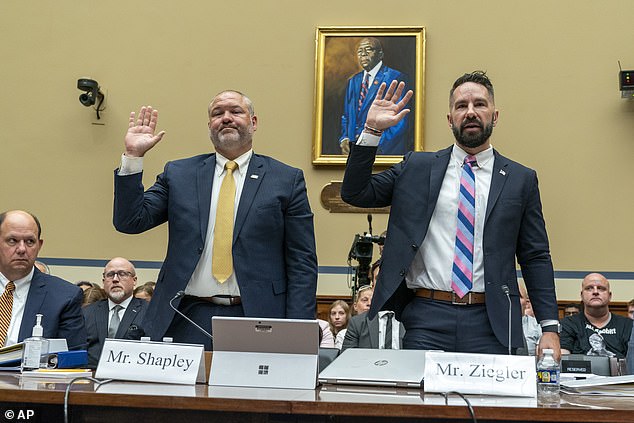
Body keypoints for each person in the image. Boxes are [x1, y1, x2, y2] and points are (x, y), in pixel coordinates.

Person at [341, 72, 560, 358]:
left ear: (495, 116)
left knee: (488, 403)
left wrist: (550, 327)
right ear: (449, 119)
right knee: (422, 402)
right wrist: (371, 130)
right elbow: (355, 193)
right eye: (461, 106)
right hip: (426, 317)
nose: (470, 112)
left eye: (479, 104)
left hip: (491, 320)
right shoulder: (416, 167)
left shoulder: (520, 179)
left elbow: (535, 255)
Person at [113, 90, 318, 350]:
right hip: (186, 315)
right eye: (217, 113)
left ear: (253, 122)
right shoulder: (179, 174)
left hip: (257, 316)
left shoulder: (286, 180)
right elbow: (130, 221)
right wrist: (133, 157)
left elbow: (302, 261)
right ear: (209, 125)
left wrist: (297, 330)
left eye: (236, 111)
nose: (226, 118)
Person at [0, 210, 86, 349]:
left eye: (30, 241)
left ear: (39, 246)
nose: (22, 249)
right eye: (12, 241)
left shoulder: (64, 297)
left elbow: (73, 359)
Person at [339, 38, 411, 156]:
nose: (363, 54)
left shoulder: (396, 77)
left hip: (382, 152)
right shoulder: (353, 81)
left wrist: (371, 146)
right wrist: (344, 138)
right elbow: (346, 116)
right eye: (360, 51)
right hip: (353, 153)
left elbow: (399, 122)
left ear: (380, 54)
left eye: (368, 49)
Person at [83, 257, 148, 368]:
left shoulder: (148, 312)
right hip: (92, 378)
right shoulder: (87, 313)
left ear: (134, 280)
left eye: (122, 274)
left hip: (133, 377)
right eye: (110, 275)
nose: (115, 279)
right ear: (103, 282)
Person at [560, 273, 632, 359]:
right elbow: (563, 359)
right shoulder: (568, 324)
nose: (595, 292)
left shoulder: (628, 325)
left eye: (601, 288)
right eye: (589, 288)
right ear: (582, 296)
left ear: (610, 296)